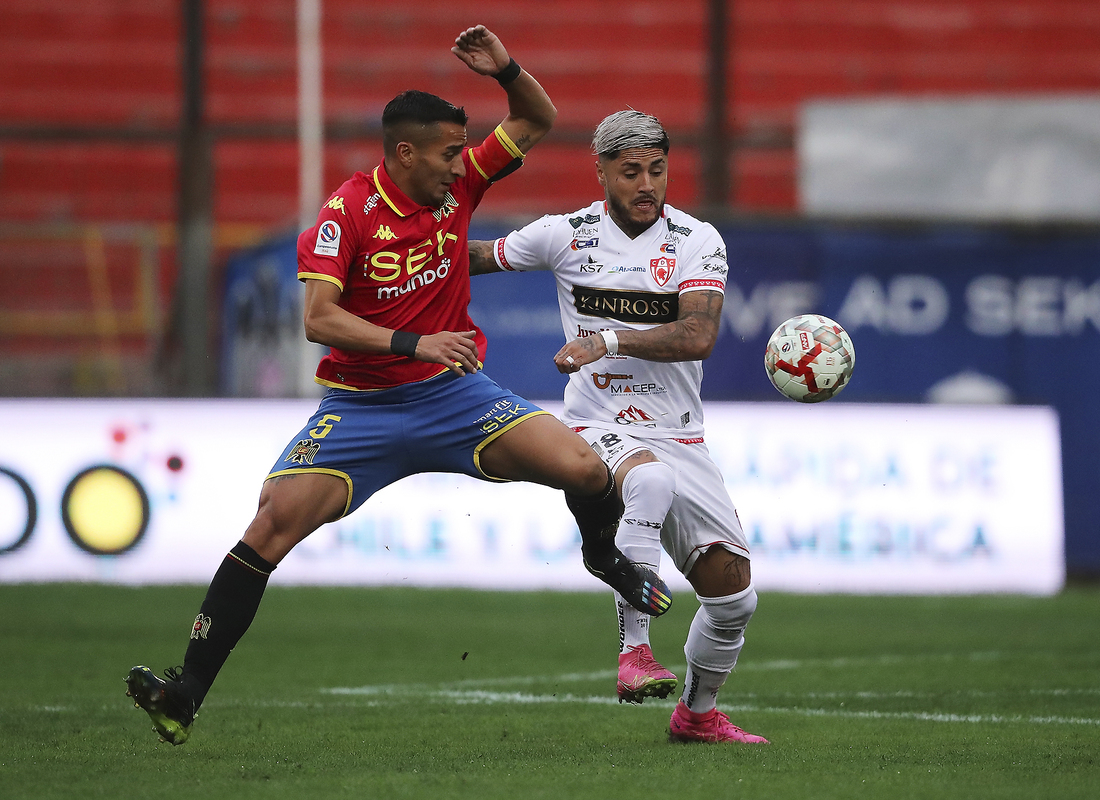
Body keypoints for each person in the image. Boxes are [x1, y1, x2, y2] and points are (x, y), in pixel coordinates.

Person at [124, 27, 672, 746]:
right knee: (269, 525)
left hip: (456, 400)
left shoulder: (461, 187)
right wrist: (416, 342)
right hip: (363, 410)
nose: (460, 166)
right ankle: (184, 692)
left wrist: (504, 68)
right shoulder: (343, 217)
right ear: (405, 153)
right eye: (449, 153)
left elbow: (536, 120)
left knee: (584, 469)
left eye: (462, 153)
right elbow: (319, 319)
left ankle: (602, 556)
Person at [468, 110, 768, 744]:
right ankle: (635, 654)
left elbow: (698, 334)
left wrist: (604, 338)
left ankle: (695, 715)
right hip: (597, 422)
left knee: (733, 596)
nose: (646, 184)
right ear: (600, 170)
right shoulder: (564, 235)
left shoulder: (696, 239)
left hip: (681, 431)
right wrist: (384, 253)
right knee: (649, 484)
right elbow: (472, 259)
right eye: (631, 171)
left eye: (657, 170)